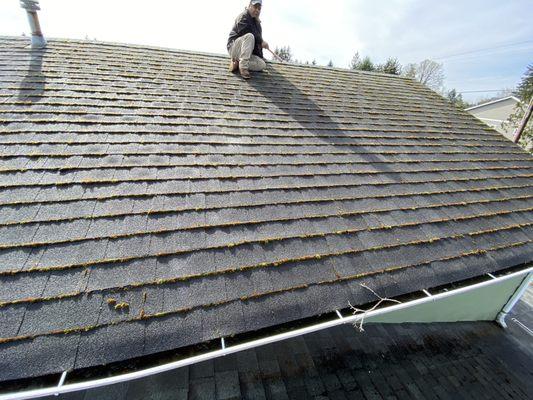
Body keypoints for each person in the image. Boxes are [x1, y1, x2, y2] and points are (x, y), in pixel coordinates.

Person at [227, 0, 269, 79]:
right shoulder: (243, 17)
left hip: (245, 53)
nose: (257, 10)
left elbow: (256, 45)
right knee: (250, 36)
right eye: (255, 7)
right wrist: (261, 41)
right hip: (234, 47)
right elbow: (246, 31)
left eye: (259, 9)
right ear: (249, 6)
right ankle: (243, 68)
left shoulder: (257, 24)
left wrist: (260, 56)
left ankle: (237, 62)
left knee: (262, 64)